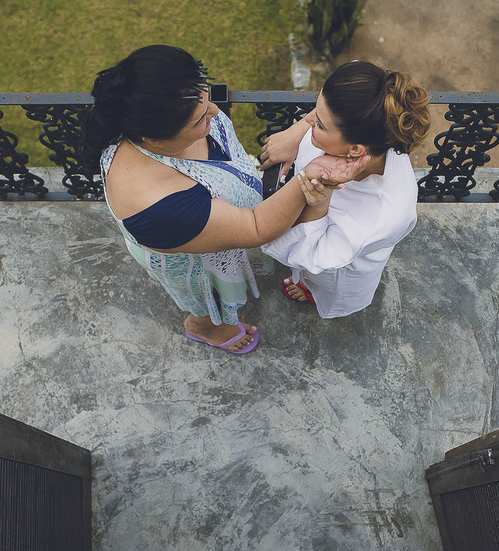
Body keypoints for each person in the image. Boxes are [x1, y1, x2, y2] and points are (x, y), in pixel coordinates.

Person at [86, 45, 369, 354]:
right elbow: (256, 226)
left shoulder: (167, 106)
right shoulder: (161, 208)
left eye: (206, 98)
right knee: (209, 300)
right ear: (152, 140)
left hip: (214, 221)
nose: (214, 111)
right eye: (198, 121)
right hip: (195, 259)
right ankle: (204, 328)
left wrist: (300, 129)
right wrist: (307, 181)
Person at [257, 61, 431, 319]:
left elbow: (312, 254)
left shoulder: (382, 214)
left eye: (320, 125)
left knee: (322, 283)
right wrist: (295, 133)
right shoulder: (363, 103)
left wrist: (318, 202)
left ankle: (310, 291)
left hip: (339, 264)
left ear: (356, 150)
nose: (311, 120)